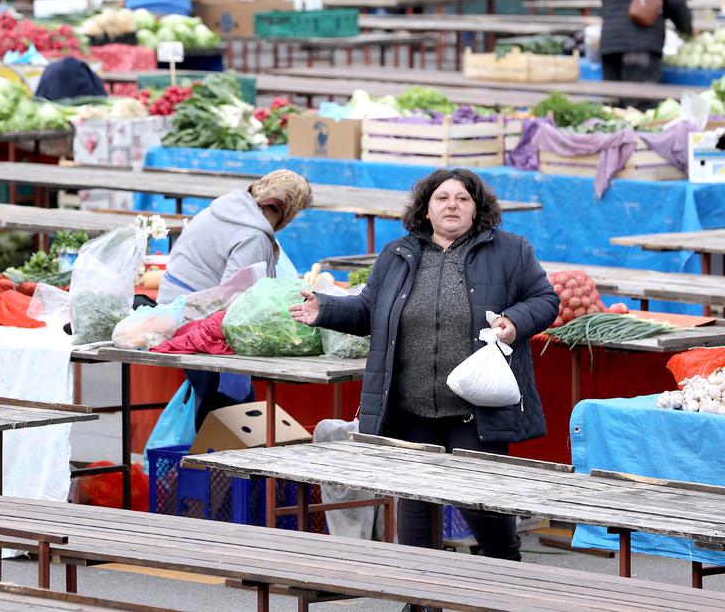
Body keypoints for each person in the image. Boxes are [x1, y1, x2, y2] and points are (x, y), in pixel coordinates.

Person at [290, 169, 558, 561]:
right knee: (415, 511)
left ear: (476, 209)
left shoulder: (511, 251)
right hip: (410, 407)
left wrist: (515, 322)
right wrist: (326, 308)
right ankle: (420, 599)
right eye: (442, 198)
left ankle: (506, 576)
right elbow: (370, 311)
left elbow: (545, 300)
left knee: (482, 505)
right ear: (427, 209)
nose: (452, 205)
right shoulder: (399, 254)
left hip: (474, 409)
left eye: (463, 199)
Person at [158, 170, 313, 424]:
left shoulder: (224, 209)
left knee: (233, 405)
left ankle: (207, 456)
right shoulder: (252, 234)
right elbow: (239, 301)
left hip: (175, 310)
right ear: (286, 209)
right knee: (226, 406)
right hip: (198, 324)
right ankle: (210, 461)